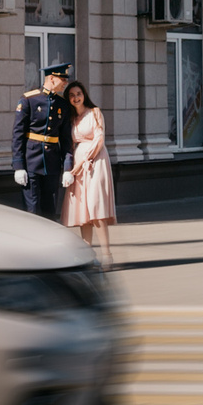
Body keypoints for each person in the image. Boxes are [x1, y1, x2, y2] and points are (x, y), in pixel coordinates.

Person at [62, 77, 117, 268]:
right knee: (83, 210)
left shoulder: (95, 112)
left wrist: (82, 164)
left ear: (84, 95)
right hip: (78, 164)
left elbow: (99, 139)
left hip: (95, 162)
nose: (76, 98)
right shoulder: (71, 119)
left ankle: (107, 255)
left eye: (79, 94)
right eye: (72, 95)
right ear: (68, 99)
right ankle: (87, 255)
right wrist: (70, 168)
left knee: (96, 206)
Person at [9, 60, 73, 220]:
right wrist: (18, 166)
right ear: (52, 78)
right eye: (63, 80)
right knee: (32, 211)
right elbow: (18, 134)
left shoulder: (63, 105)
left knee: (50, 211)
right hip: (31, 163)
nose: (66, 83)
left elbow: (66, 140)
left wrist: (67, 168)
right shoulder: (28, 100)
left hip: (52, 164)